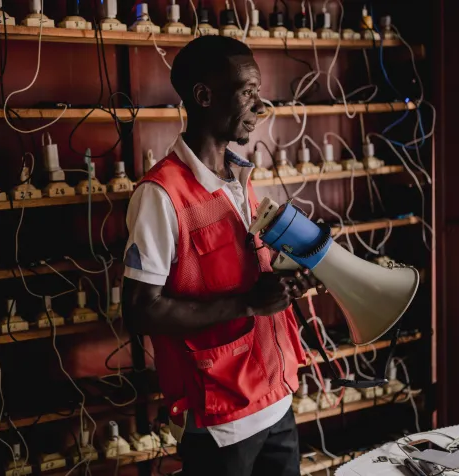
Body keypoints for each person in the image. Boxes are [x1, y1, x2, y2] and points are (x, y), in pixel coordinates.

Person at [122, 35, 321, 476]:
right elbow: (139, 312)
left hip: (276, 398)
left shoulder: (238, 178)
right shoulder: (160, 195)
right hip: (220, 421)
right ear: (204, 96)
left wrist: (286, 279)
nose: (259, 104)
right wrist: (249, 303)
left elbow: (241, 271)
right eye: (248, 91)